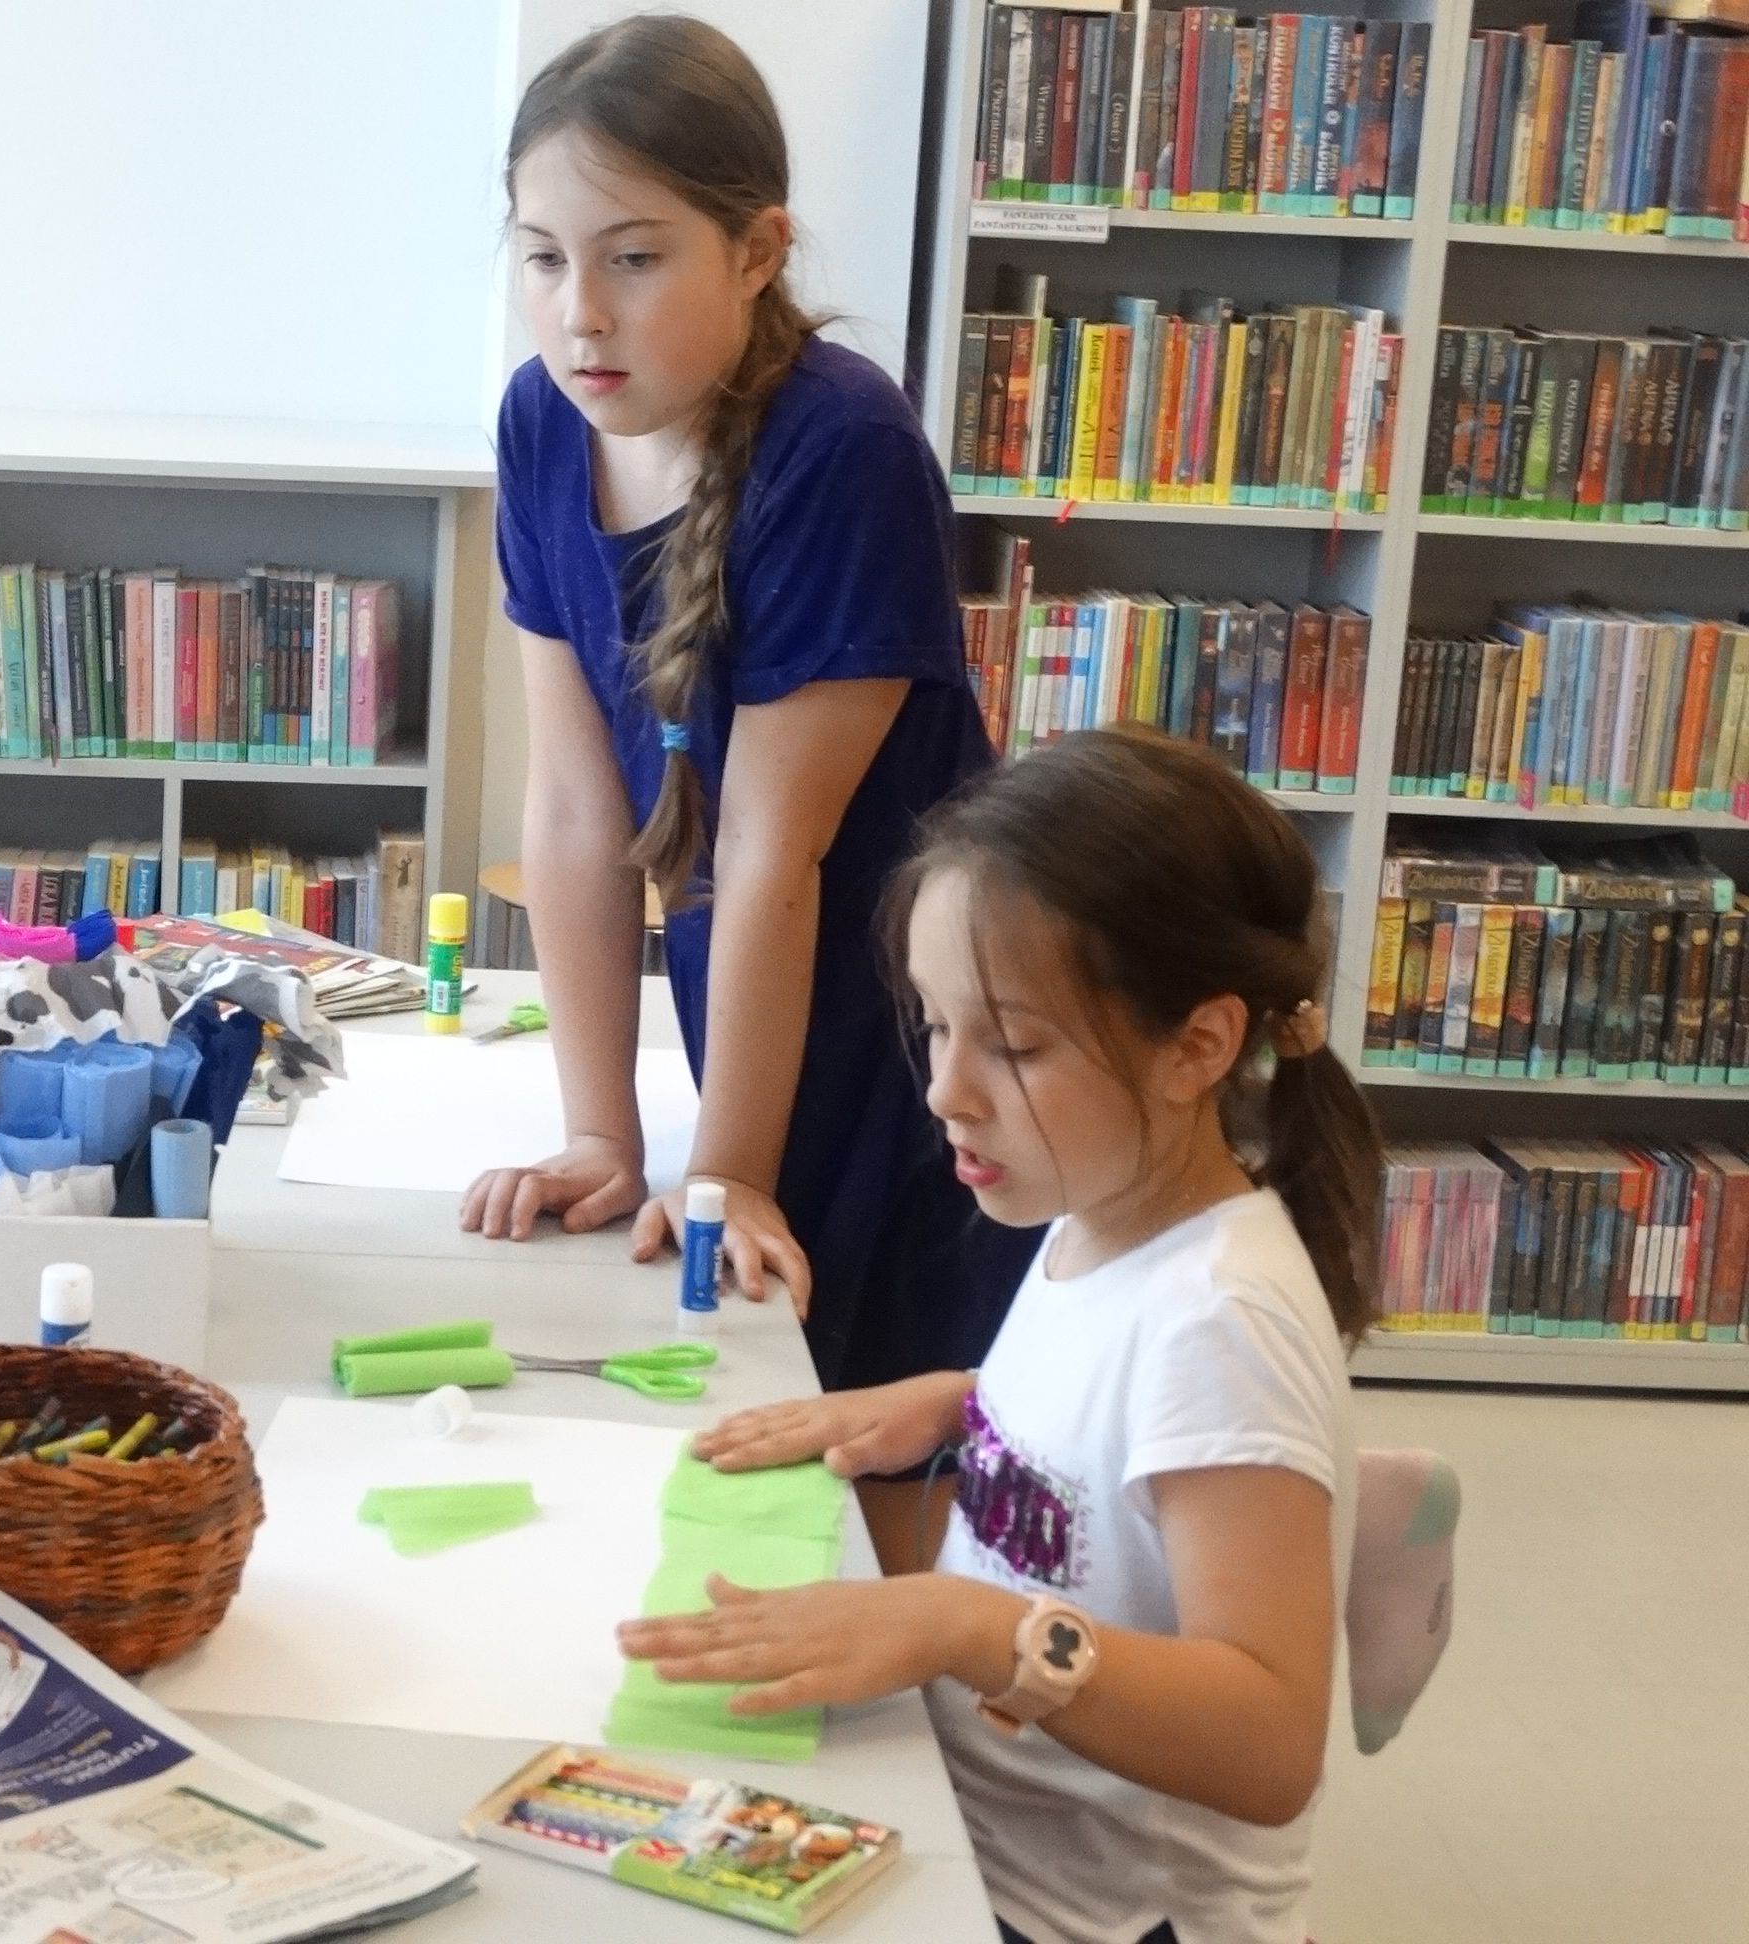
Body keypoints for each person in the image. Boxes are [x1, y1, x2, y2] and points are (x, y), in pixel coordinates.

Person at [622, 727, 1380, 1944]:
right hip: (973, 1834)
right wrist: (962, 1399)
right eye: (935, 1026)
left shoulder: (1224, 1319)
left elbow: (1270, 1744)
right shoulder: (1102, 1207)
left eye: (1014, 1046)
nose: (945, 1089)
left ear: (1197, 1046)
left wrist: (960, 1626)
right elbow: (1112, 1429)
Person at [460, 14, 1038, 1433]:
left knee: (894, 1445)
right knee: (750, 1408)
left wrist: (726, 1171)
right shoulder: (539, 422)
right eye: (544, 257)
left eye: (633, 257)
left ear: (759, 250)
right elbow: (579, 811)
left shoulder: (843, 447)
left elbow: (775, 854)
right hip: (757, 1009)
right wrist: (604, 1134)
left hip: (917, 1035)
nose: (581, 312)